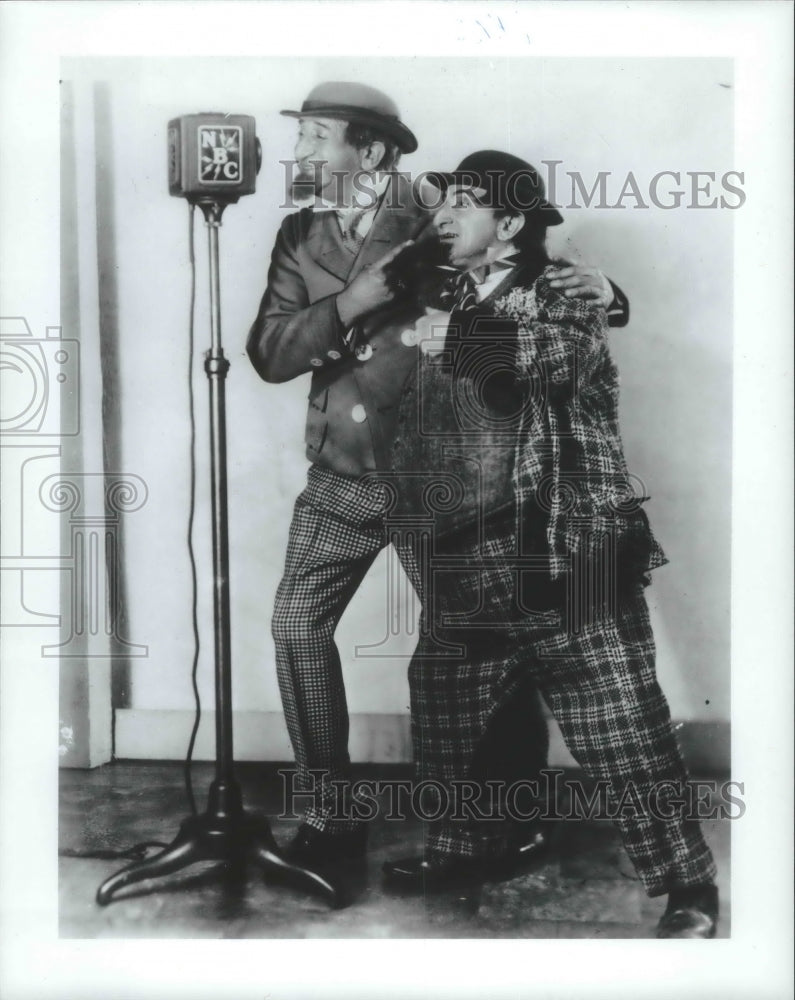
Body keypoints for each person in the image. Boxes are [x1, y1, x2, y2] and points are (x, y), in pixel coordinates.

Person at [246, 82, 629, 870]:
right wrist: (350, 302)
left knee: (479, 648)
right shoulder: (297, 235)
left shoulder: (446, 207)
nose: (300, 154)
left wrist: (612, 294)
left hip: (444, 479)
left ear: (374, 151)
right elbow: (269, 353)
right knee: (294, 627)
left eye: (318, 138)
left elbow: (548, 272)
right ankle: (331, 813)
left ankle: (502, 820)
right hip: (342, 470)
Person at [379, 150, 719, 938]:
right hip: (462, 551)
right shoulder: (446, 289)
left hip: (563, 544)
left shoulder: (562, 290)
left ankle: (687, 888)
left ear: (511, 224)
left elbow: (564, 359)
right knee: (445, 711)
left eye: (464, 201)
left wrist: (457, 337)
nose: (444, 213)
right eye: (444, 201)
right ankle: (467, 844)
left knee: (619, 722)